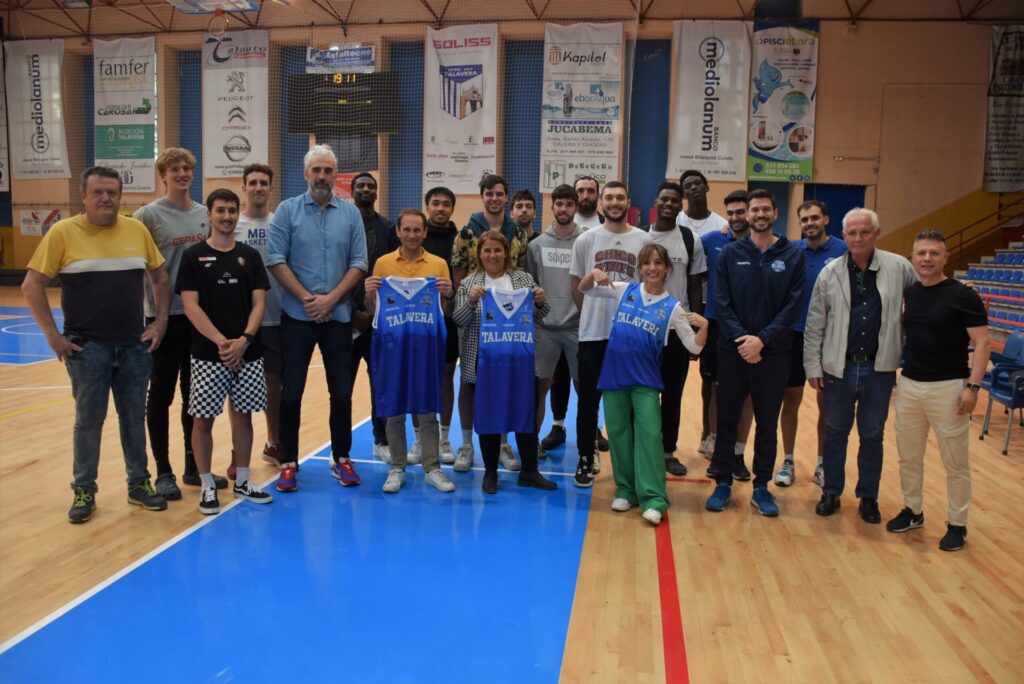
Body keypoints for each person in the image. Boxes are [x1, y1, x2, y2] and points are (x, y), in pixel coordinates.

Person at [22, 166, 170, 522]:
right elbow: (31, 285)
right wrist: (52, 336)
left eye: (112, 193)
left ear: (121, 197)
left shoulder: (136, 229)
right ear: (84, 196)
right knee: (89, 422)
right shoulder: (62, 233)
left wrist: (160, 321)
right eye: (98, 192)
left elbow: (160, 278)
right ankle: (84, 489)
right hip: (88, 350)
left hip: (134, 346)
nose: (106, 198)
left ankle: (139, 484)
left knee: (133, 418)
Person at [579, 243, 707, 526]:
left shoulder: (672, 308)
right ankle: (626, 489)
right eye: (647, 263)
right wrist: (593, 273)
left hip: (646, 381)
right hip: (614, 377)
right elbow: (586, 289)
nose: (652, 268)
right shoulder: (625, 290)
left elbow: (694, 349)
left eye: (658, 263)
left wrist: (705, 327)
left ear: (666, 269)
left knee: (650, 436)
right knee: (620, 435)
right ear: (640, 268)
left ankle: (654, 498)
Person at [803, 208, 917, 523]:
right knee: (835, 432)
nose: (857, 238)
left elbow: (928, 291)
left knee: (872, 434)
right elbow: (815, 323)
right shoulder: (830, 272)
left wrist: (959, 290)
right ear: (844, 235)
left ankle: (868, 496)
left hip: (879, 369)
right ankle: (832, 491)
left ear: (876, 233)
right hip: (838, 369)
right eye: (851, 233)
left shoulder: (899, 267)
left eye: (864, 232)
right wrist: (813, 366)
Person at [267, 144, 368, 492]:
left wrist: (331, 300)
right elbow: (276, 259)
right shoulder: (286, 211)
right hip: (297, 317)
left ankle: (342, 459)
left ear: (336, 175)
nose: (322, 176)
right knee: (290, 394)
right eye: (317, 170)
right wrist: (308, 299)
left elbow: (359, 263)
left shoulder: (351, 214)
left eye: (328, 170)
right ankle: (288, 462)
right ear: (305, 173)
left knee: (341, 394)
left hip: (338, 318)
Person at [705, 189, 805, 517]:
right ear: (747, 215)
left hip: (773, 353)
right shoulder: (731, 254)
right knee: (727, 418)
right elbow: (721, 302)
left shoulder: (792, 256)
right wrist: (744, 341)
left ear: (775, 213)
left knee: (766, 422)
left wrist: (761, 341)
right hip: (733, 351)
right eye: (754, 210)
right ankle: (722, 481)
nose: (759, 214)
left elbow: (793, 306)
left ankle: (762, 486)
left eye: (765, 209)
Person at [888, 229, 990, 552]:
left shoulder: (963, 295)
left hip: (950, 388)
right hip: (910, 385)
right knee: (908, 456)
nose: (927, 259)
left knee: (955, 461)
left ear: (945, 257)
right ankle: (913, 511)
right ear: (913, 258)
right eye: (922, 254)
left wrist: (973, 387)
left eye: (934, 253)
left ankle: (957, 524)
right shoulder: (911, 293)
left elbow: (984, 342)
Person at [177, 189, 273, 514]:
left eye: (232, 210)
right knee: (202, 420)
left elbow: (260, 303)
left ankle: (243, 480)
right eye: (221, 210)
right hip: (208, 356)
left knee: (243, 417)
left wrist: (244, 339)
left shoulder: (250, 256)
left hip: (247, 353)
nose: (227, 216)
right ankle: (207, 486)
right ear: (209, 214)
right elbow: (191, 306)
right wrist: (222, 342)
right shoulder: (193, 257)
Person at [134, 147, 217, 501]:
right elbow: (139, 268)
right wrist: (152, 316)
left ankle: (192, 464)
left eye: (187, 168)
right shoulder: (148, 215)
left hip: (198, 318)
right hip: (163, 318)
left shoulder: (204, 214)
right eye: (175, 169)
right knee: (161, 394)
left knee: (193, 396)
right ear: (163, 175)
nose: (182, 173)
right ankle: (163, 471)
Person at [452, 231, 556, 493]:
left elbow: (542, 314)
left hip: (520, 362)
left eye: (498, 250)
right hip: (482, 363)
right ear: (479, 254)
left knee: (525, 413)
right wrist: (473, 300)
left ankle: (529, 471)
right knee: (487, 416)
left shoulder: (522, 279)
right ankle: (490, 473)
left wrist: (542, 301)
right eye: (487, 250)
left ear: (507, 253)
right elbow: (459, 319)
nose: (493, 255)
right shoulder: (469, 283)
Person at [364, 208, 456, 494]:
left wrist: (449, 293)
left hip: (426, 347)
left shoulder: (439, 264)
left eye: (418, 230)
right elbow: (372, 310)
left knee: (427, 407)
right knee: (393, 409)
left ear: (425, 233)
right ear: (399, 232)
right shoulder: (382, 264)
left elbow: (445, 311)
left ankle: (432, 467)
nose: (413, 235)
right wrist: (369, 292)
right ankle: (397, 467)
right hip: (392, 347)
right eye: (407, 230)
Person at [569, 181, 652, 488]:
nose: (614, 202)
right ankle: (585, 458)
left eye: (620, 197)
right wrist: (589, 313)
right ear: (601, 203)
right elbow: (577, 284)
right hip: (593, 334)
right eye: (609, 198)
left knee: (629, 403)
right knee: (588, 402)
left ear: (628, 201)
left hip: (630, 335)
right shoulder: (586, 240)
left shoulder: (644, 239)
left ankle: (627, 464)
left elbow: (650, 285)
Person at [450, 174, 528, 472]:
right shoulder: (467, 231)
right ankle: (467, 445)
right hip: (474, 320)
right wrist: (469, 299)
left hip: (508, 325)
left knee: (505, 382)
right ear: (481, 196)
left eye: (499, 194)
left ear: (505, 197)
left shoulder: (517, 234)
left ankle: (504, 444)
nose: (494, 198)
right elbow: (458, 275)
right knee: (469, 383)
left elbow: (521, 275)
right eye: (489, 193)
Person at [776, 200, 846, 487]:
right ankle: (788, 461)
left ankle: (822, 463)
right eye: (804, 219)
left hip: (828, 338)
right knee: (790, 400)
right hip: (794, 335)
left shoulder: (843, 250)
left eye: (815, 218)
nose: (809, 223)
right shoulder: (792, 250)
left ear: (826, 219)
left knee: (826, 404)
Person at [640, 181, 707, 476]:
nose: (668, 204)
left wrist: (692, 331)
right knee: (642, 392)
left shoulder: (690, 238)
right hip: (643, 327)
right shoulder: (641, 236)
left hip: (676, 329)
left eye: (674, 201)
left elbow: (695, 285)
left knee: (673, 393)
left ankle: (668, 450)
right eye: (664, 199)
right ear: (656, 201)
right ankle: (642, 446)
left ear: (681, 205)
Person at [230, 163, 284, 479]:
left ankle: (274, 442)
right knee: (239, 387)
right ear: (244, 187)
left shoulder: (280, 223)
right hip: (239, 320)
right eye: (253, 182)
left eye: (264, 182)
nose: (259, 187)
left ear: (271, 188)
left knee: (274, 384)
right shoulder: (231, 223)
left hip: (276, 316)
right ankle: (239, 453)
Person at [699, 191, 755, 480]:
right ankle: (717, 448)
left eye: (740, 212)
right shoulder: (711, 241)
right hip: (718, 324)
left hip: (751, 328)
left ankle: (738, 452)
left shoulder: (763, 245)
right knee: (717, 389)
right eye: (730, 213)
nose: (735, 218)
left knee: (748, 395)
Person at [527, 184, 583, 450]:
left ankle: (588, 448)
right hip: (545, 329)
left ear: (575, 207)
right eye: (559, 204)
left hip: (578, 328)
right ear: (552, 207)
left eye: (568, 204)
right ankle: (532, 445)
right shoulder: (536, 245)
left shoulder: (587, 241)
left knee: (586, 391)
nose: (563, 209)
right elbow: (531, 285)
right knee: (539, 389)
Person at [350, 172, 395, 463]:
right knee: (341, 387)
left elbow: (392, 274)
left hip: (379, 320)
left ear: (376, 193)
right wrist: (352, 312)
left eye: (371, 186)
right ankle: (341, 449)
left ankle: (382, 439)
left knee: (380, 383)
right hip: (347, 320)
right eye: (361, 186)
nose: (366, 190)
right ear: (352, 191)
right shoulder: (341, 224)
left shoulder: (388, 228)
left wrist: (375, 311)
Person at [422, 186, 460, 464]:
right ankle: (421, 439)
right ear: (427, 205)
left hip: (450, 320)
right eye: (436, 203)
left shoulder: (461, 239)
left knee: (446, 378)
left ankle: (444, 438)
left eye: (446, 204)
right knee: (419, 379)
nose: (440, 208)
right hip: (418, 322)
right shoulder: (415, 238)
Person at [676, 169, 728, 237]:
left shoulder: (721, 225)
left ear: (707, 188)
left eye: (697, 183)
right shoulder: (676, 221)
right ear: (683, 195)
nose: (694, 187)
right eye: (688, 186)